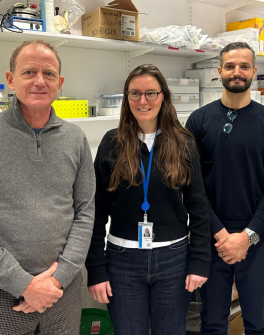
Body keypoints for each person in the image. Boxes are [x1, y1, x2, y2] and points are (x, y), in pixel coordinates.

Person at [0, 40, 96, 334]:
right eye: (29, 72)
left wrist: (56, 280)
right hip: (0, 296)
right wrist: (25, 285)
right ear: (11, 80)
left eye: (49, 73)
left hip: (62, 293)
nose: (40, 81)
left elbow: (85, 213)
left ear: (60, 83)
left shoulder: (75, 139)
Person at [85, 64, 210, 335]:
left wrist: (200, 261)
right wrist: (95, 268)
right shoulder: (112, 143)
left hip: (174, 259)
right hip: (122, 261)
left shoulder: (184, 143)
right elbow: (95, 211)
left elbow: (199, 207)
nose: (143, 101)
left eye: (151, 93)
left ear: (163, 96)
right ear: (127, 98)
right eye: (135, 93)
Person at [185, 42, 264, 335]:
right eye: (230, 66)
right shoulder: (198, 121)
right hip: (210, 238)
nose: (237, 72)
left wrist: (247, 237)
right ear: (219, 72)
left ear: (254, 72)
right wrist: (220, 235)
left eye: (244, 66)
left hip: (257, 239)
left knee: (258, 322)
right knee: (213, 322)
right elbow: (192, 186)